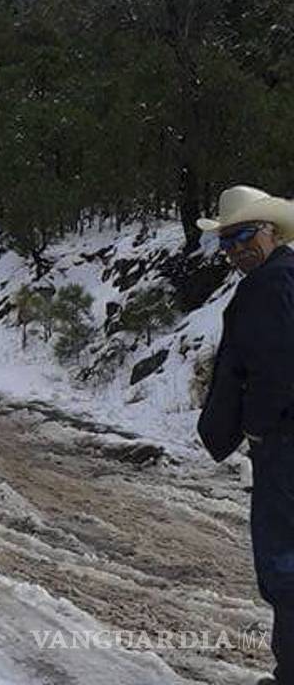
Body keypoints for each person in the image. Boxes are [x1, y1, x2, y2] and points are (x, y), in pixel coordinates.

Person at [197, 185, 294, 685]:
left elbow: (276, 367)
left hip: (283, 441)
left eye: (243, 236)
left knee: (284, 565)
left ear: (272, 231)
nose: (235, 249)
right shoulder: (286, 276)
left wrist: (256, 427)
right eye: (226, 242)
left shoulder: (268, 285)